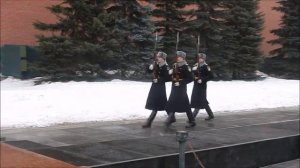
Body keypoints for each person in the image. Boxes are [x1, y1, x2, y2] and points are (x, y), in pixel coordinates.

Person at [165, 51, 195, 128]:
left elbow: (190, 78)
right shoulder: (175, 65)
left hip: (181, 88)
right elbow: (171, 77)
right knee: (170, 103)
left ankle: (191, 121)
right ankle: (172, 118)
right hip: (174, 88)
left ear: (183, 58)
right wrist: (170, 73)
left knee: (185, 106)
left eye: (180, 57)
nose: (178, 59)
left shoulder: (186, 66)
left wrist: (180, 83)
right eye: (177, 57)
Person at [143, 51, 171, 128]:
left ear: (163, 59)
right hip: (154, 86)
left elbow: (168, 78)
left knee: (156, 104)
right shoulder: (156, 64)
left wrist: (159, 80)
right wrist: (149, 67)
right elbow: (149, 71)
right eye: (157, 57)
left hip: (160, 87)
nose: (158, 58)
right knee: (162, 103)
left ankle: (149, 121)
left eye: (159, 57)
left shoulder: (166, 66)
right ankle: (172, 117)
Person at [190, 53, 214, 120]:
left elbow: (211, 76)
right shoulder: (195, 65)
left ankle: (192, 117)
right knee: (203, 100)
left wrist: (203, 80)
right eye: (199, 58)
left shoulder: (206, 66)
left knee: (199, 100)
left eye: (202, 58)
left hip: (202, 86)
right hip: (196, 85)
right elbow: (192, 75)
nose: (200, 59)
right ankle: (211, 114)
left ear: (204, 59)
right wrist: (194, 70)